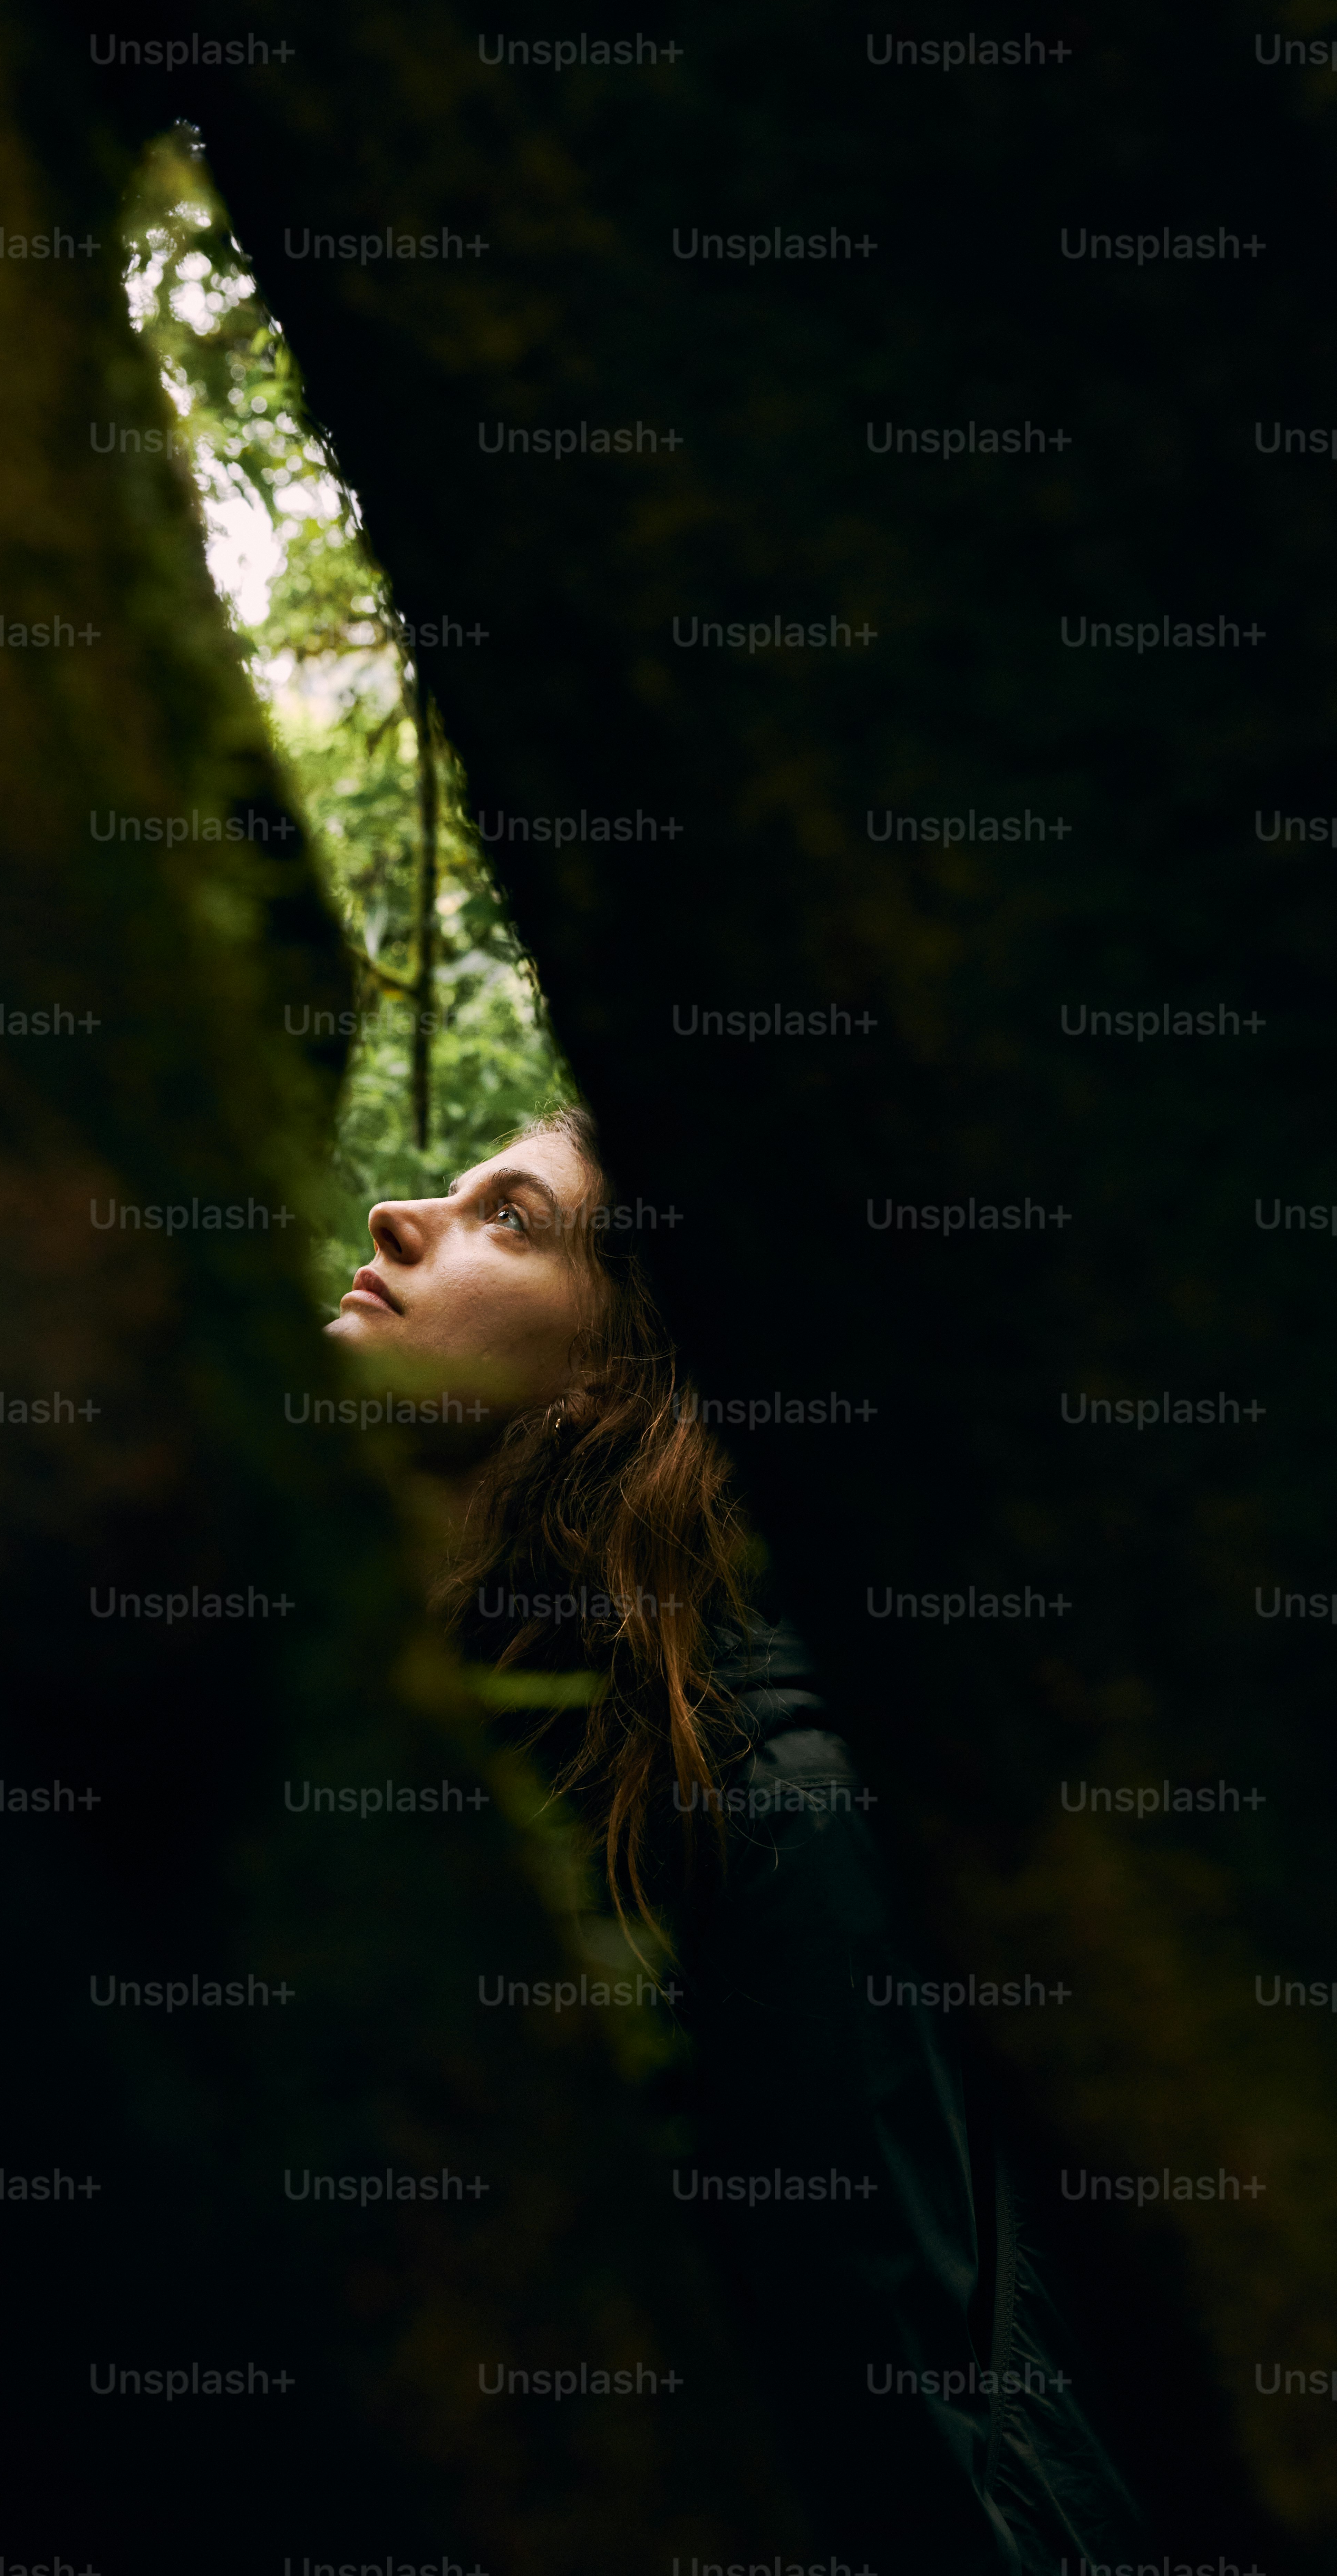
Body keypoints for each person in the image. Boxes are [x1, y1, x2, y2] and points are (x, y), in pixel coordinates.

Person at [327, 1103, 1144, 2573]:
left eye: (508, 1217)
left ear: (612, 1382)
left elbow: (875, 2432)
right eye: (453, 1192)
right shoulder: (401, 1724)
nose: (402, 1217)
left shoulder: (770, 1812)